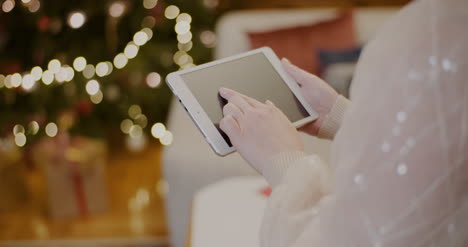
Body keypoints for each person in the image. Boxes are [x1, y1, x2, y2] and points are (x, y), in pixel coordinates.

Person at [218, 0, 468, 246]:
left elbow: (347, 238)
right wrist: (342, 117)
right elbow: (442, 148)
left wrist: (283, 159)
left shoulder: (435, 38)